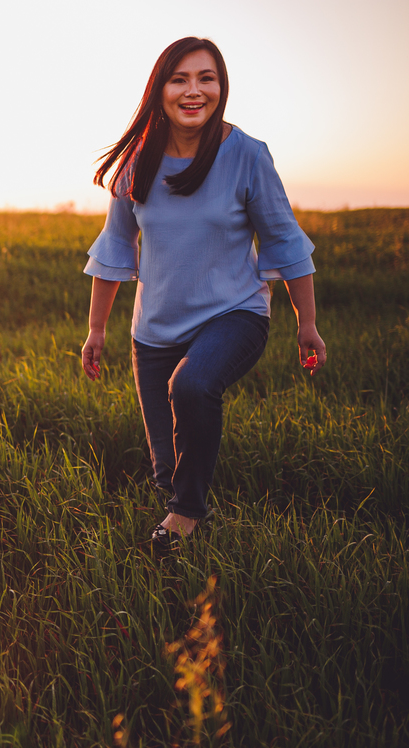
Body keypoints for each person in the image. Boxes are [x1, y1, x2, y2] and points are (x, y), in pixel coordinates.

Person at [80, 37, 326, 553]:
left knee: (191, 386)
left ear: (221, 87)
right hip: (154, 332)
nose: (194, 91)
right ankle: (182, 514)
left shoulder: (247, 155)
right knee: (166, 474)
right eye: (180, 80)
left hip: (235, 314)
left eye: (206, 78)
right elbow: (116, 246)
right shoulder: (138, 162)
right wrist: (96, 329)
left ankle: (187, 516)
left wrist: (307, 322)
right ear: (160, 91)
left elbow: (283, 239)